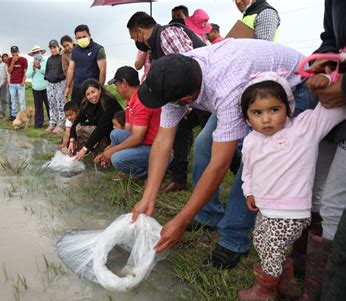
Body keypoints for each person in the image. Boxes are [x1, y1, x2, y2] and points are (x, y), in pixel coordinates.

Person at [131, 39, 306, 270]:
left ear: (186, 100)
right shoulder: (177, 75)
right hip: (247, 85)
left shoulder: (226, 88)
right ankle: (208, 215)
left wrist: (180, 221)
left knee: (255, 162)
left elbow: (220, 165)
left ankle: (234, 239)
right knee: (204, 143)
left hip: (294, 85)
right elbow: (163, 141)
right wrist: (148, 196)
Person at [235, 72, 346, 301]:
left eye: (274, 110)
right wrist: (249, 191)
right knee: (260, 241)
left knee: (271, 250)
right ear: (247, 117)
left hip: (292, 212)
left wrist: (330, 80)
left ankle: (265, 290)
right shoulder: (251, 141)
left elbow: (332, 109)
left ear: (288, 107)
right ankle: (286, 281)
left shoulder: (302, 129)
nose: (266, 119)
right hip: (265, 209)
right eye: (257, 113)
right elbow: (248, 170)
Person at [265, 0, 346, 301]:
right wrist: (319, 65)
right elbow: (331, 39)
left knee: (334, 205)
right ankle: (306, 268)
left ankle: (316, 300)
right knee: (317, 191)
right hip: (331, 101)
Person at [126, 11, 211, 193]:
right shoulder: (154, 47)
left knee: (209, 140)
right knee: (181, 129)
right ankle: (179, 179)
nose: (136, 42)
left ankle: (232, 177)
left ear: (140, 31)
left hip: (205, 91)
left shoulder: (166, 34)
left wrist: (187, 101)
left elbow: (188, 65)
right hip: (192, 95)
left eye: (133, 37)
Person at [94, 66, 162, 180]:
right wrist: (109, 149)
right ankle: (128, 164)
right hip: (144, 143)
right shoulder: (131, 101)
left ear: (125, 83)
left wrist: (112, 152)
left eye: (117, 85)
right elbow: (128, 130)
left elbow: (137, 138)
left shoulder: (142, 101)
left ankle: (151, 171)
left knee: (117, 158)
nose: (116, 88)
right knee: (115, 134)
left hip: (155, 148)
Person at [68, 79, 122, 161]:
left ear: (99, 89)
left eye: (93, 92)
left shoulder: (108, 101)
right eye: (88, 94)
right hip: (100, 132)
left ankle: (101, 151)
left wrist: (85, 148)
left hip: (114, 135)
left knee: (83, 129)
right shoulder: (86, 104)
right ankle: (82, 152)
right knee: (78, 127)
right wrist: (72, 140)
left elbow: (101, 128)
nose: (91, 96)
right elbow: (77, 121)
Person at [64, 25, 107, 107]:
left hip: (92, 90)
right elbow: (71, 69)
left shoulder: (98, 49)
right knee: (77, 114)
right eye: (79, 38)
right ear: (76, 39)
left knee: (93, 114)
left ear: (89, 35)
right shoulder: (75, 50)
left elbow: (102, 70)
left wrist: (100, 88)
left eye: (84, 36)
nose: (81, 39)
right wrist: (67, 87)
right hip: (77, 88)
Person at [44, 40, 66, 134]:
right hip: (50, 84)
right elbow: (46, 71)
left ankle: (61, 124)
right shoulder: (49, 59)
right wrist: (48, 77)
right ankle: (52, 123)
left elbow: (65, 71)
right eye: (51, 48)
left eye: (54, 47)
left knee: (60, 104)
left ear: (58, 47)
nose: (53, 49)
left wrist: (59, 77)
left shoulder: (62, 57)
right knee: (51, 104)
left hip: (60, 83)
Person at [27, 45, 49, 129]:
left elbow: (47, 72)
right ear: (32, 55)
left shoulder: (46, 61)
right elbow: (28, 75)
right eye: (34, 53)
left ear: (41, 52)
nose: (36, 54)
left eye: (38, 52)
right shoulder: (31, 64)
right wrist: (33, 68)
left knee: (49, 105)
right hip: (36, 88)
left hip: (46, 87)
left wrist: (39, 66)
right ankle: (38, 124)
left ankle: (52, 122)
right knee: (38, 107)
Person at [7, 45, 28, 121]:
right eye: (13, 52)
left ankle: (23, 115)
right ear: (11, 53)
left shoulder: (24, 60)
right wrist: (13, 61)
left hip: (20, 83)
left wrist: (23, 82)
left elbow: (25, 72)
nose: (15, 54)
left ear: (18, 52)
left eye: (16, 52)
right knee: (13, 100)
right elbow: (9, 71)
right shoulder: (9, 60)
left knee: (22, 100)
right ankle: (14, 115)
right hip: (12, 84)